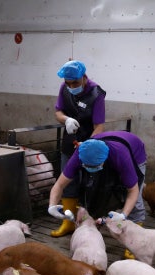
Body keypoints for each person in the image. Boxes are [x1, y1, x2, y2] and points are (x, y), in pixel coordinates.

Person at [47, 130, 147, 259]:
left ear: (104, 161)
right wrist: (52, 205)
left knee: (136, 200)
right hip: (103, 148)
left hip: (134, 151)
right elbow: (59, 185)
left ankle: (135, 241)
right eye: (87, 166)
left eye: (95, 166)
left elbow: (133, 191)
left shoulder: (121, 156)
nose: (90, 168)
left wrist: (123, 215)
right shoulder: (81, 152)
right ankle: (96, 222)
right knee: (94, 187)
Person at [51, 60, 107, 237]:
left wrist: (88, 145)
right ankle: (67, 223)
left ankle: (88, 226)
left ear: (84, 77)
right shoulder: (64, 88)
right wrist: (65, 119)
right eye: (68, 83)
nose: (71, 86)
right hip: (70, 142)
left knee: (91, 184)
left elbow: (99, 126)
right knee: (68, 183)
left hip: (90, 145)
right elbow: (58, 112)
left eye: (74, 83)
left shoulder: (96, 93)